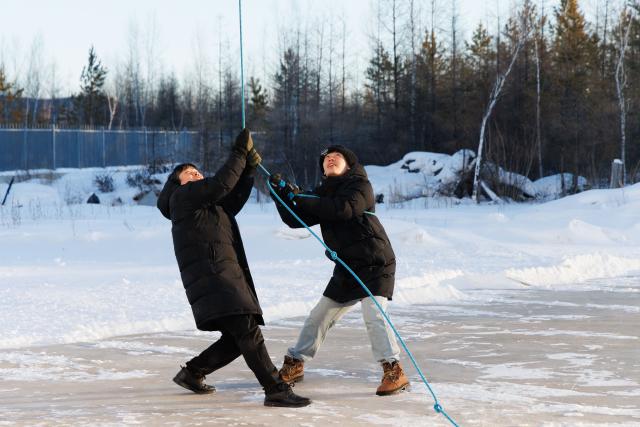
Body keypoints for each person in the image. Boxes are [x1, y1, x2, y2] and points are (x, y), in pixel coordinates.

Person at [156, 129, 310, 408]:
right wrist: (239, 152)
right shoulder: (183, 197)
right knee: (247, 331)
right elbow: (221, 184)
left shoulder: (205, 205)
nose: (195, 174)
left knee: (236, 338)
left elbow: (231, 198)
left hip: (218, 274)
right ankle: (275, 388)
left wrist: (248, 171)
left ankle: (192, 373)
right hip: (215, 275)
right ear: (176, 182)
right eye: (189, 172)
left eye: (197, 172)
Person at [269, 145, 410, 396]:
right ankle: (296, 362)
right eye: (325, 159)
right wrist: (281, 196)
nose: (330, 159)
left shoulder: (360, 187)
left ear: (350, 165)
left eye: (336, 157)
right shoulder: (322, 194)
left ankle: (394, 370)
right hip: (347, 267)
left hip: (376, 264)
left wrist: (299, 196)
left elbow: (342, 209)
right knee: (318, 317)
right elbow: (295, 218)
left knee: (374, 316)